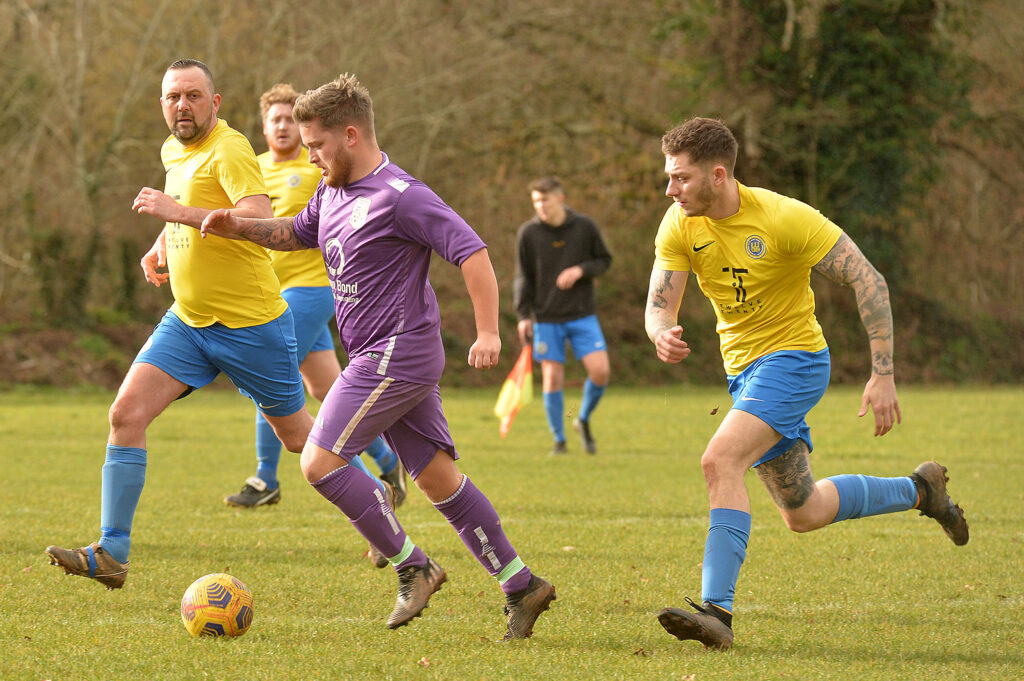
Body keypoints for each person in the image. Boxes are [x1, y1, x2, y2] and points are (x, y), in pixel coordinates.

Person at [201, 73, 556, 638]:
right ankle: (521, 584)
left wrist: (488, 332)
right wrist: (235, 227)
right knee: (439, 480)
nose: (309, 154)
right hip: (377, 353)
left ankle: (413, 565)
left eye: (316, 144)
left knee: (318, 463)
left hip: (398, 353)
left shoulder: (402, 195)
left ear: (349, 135)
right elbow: (295, 233)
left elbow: (472, 252)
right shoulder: (332, 192)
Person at [645, 117, 969, 650]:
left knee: (719, 460)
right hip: (744, 373)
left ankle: (716, 614)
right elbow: (660, 305)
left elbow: (869, 278)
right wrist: (661, 334)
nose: (669, 189)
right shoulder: (679, 222)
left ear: (718, 175)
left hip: (794, 362)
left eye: (680, 178)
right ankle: (923, 491)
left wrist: (883, 374)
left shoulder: (783, 218)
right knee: (804, 511)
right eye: (669, 177)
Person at [45, 59, 314, 589]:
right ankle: (112, 552)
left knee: (304, 442)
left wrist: (175, 213)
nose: (182, 105)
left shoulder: (231, 147)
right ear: (162, 103)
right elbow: (193, 209)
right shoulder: (175, 148)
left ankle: (394, 538)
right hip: (189, 322)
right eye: (173, 97)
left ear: (215, 103)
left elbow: (257, 218)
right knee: (125, 414)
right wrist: (162, 242)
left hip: (250, 324)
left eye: (193, 96)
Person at [225, 83, 407, 520]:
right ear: (264, 126)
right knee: (325, 389)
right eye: (276, 120)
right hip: (271, 291)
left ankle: (265, 478)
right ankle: (387, 465)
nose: (284, 126)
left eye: (291, 118)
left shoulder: (319, 168)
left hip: (312, 288)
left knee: (268, 374)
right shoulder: (253, 170)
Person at [513, 176, 612, 455]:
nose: (540, 206)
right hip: (546, 318)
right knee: (552, 378)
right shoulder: (528, 233)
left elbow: (604, 260)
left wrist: (580, 270)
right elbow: (523, 277)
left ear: (560, 198)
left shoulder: (585, 227)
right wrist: (523, 315)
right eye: (536, 201)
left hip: (582, 314)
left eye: (544, 200)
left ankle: (581, 418)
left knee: (601, 372)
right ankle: (559, 441)